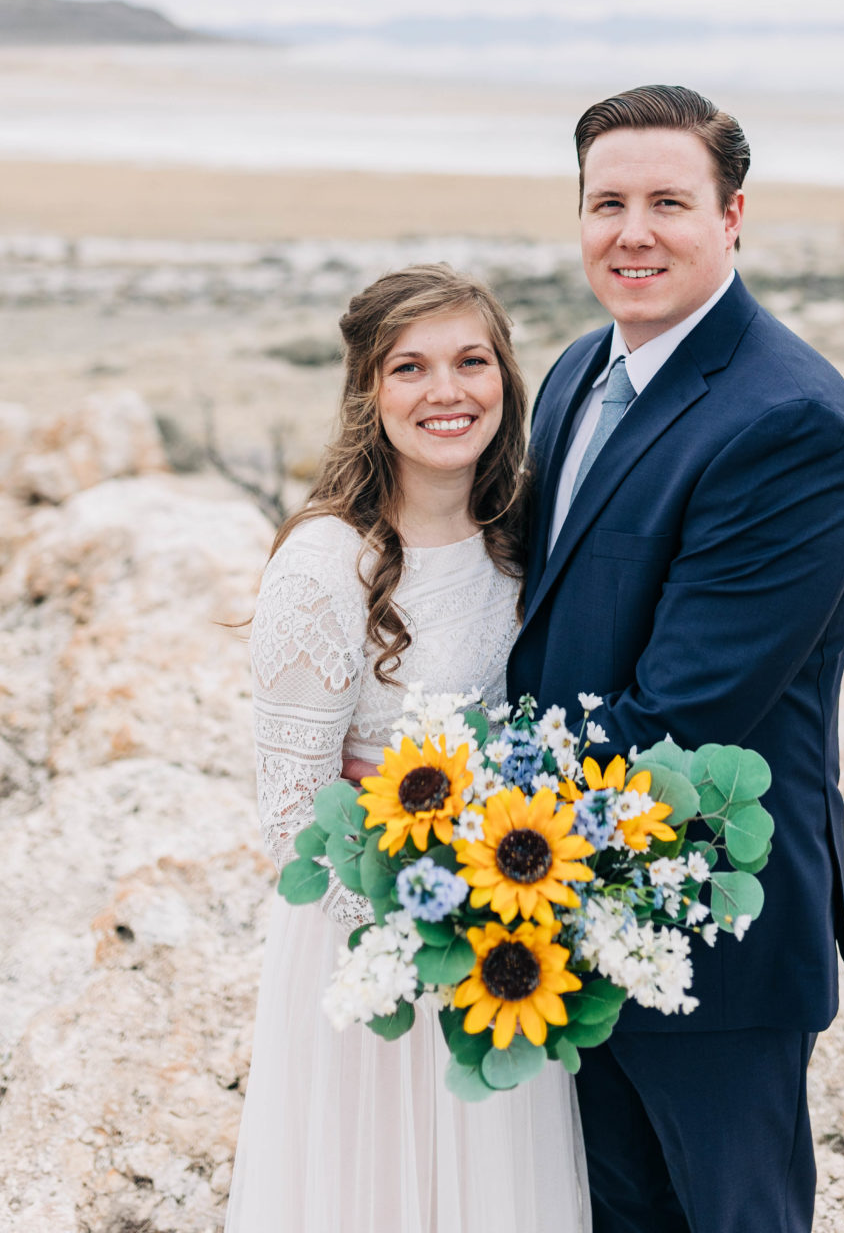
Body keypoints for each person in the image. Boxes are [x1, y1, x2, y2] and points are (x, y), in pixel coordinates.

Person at [507, 86, 844, 1233]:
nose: (632, 232)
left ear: (730, 217)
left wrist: (480, 815)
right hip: (572, 909)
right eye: (604, 202)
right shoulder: (577, 372)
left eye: (667, 201)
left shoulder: (786, 420)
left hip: (712, 934)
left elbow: (688, 709)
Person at [225, 264, 591, 1233]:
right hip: (373, 950)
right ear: (368, 391)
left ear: (504, 380)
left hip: (506, 944)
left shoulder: (519, 542)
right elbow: (292, 816)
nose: (446, 391)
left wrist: (501, 908)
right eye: (410, 367)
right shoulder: (323, 565)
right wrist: (423, 934)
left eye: (471, 360)